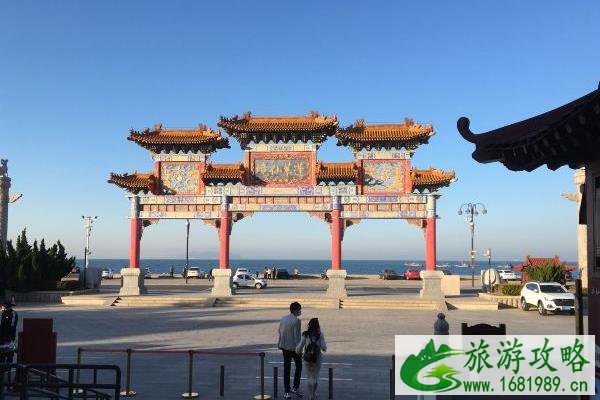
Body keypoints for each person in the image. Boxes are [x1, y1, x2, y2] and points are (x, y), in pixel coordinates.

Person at [296, 318, 326, 400]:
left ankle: (310, 395)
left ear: (309, 325)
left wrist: (299, 353)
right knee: (315, 377)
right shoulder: (320, 335)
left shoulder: (305, 335)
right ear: (318, 325)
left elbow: (299, 347)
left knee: (309, 377)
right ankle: (314, 393)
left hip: (307, 358)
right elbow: (324, 347)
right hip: (317, 358)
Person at [278, 302, 303, 398]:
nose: (300, 311)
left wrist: (279, 343)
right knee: (299, 366)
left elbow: (280, 331)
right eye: (299, 309)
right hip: (294, 348)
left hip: (284, 347)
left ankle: (287, 391)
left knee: (287, 369)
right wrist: (299, 350)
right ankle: (295, 387)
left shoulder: (283, 318)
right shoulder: (297, 321)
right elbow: (297, 336)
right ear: (295, 310)